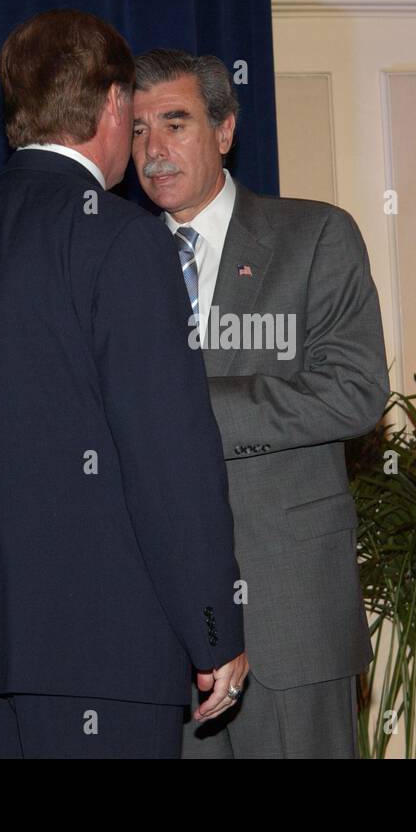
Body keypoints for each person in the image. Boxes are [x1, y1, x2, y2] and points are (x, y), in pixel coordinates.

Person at [0, 12, 247, 758]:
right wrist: (215, 626)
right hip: (105, 650)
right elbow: (169, 459)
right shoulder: (123, 239)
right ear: (111, 106)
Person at [131, 48, 389, 758]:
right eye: (138, 129)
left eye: (175, 123)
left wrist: (183, 411)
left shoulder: (314, 237)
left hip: (290, 616)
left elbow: (354, 390)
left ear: (224, 130)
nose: (153, 150)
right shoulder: (111, 259)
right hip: (160, 627)